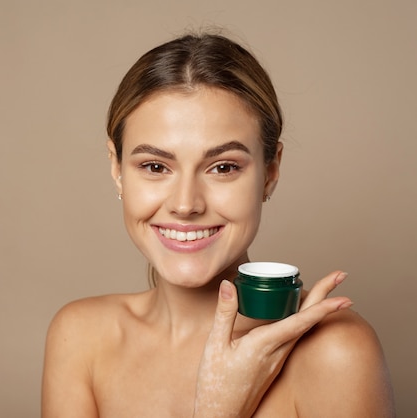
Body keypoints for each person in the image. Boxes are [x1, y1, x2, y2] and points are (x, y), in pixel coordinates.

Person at [41, 32, 395, 417]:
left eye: (223, 167)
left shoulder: (335, 352)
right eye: (155, 167)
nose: (185, 204)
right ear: (117, 169)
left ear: (270, 171)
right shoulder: (80, 337)